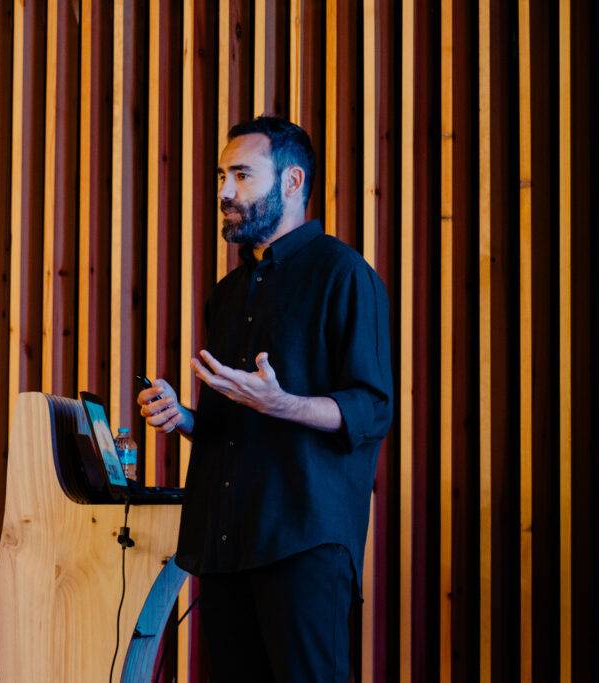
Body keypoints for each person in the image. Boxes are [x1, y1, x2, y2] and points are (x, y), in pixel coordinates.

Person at [137, 116, 393, 681]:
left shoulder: (343, 274)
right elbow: (240, 427)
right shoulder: (227, 295)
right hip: (226, 546)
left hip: (304, 545)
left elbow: (372, 408)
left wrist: (284, 404)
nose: (224, 192)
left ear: (293, 181)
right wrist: (184, 419)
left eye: (242, 176)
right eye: (222, 176)